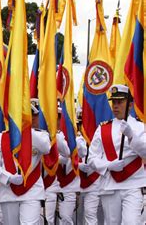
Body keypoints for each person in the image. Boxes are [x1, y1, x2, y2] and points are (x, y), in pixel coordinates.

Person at [88, 84, 146, 224]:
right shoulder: (103, 128)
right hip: (110, 185)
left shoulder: (139, 126)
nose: (115, 106)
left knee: (132, 222)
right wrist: (108, 165)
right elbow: (92, 158)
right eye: (114, 102)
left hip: (133, 184)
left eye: (120, 102)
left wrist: (132, 136)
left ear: (130, 105)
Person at [0, 99, 51, 225]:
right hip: (8, 191)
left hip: (32, 190)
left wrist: (27, 130)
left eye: (28, 116)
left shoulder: (39, 136)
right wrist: (8, 177)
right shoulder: (3, 137)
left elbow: (46, 148)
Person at [42, 104, 75, 225]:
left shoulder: (60, 136)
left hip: (51, 182)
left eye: (59, 117)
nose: (57, 120)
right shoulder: (36, 133)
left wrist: (56, 136)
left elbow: (67, 154)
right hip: (35, 181)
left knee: (49, 220)